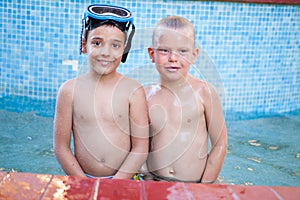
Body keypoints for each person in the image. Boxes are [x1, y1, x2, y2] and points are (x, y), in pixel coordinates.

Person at [53, 4, 149, 180]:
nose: (106, 52)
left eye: (115, 45)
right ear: (84, 45)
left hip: (124, 179)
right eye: (97, 43)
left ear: (124, 49)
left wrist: (117, 183)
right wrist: (83, 182)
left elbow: (141, 147)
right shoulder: (69, 91)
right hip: (83, 178)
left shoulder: (133, 91)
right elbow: (61, 147)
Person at [144, 16, 227, 183]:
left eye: (182, 51)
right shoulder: (146, 96)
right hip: (157, 181)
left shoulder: (205, 92)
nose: (173, 58)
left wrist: (205, 186)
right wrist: (146, 178)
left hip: (196, 183)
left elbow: (220, 145)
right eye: (164, 50)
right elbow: (141, 147)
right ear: (152, 54)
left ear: (194, 55)